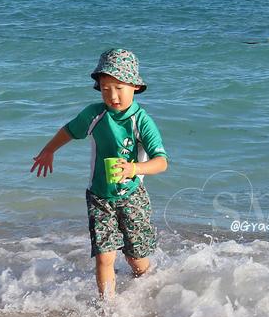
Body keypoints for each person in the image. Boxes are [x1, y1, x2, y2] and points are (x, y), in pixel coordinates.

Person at [30, 48, 169, 299]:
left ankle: (149, 291)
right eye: (106, 88)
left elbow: (161, 162)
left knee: (136, 260)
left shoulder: (141, 121)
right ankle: (107, 309)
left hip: (132, 196)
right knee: (104, 256)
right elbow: (69, 131)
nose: (112, 96)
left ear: (135, 86)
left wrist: (134, 168)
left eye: (119, 88)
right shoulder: (95, 114)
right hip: (99, 197)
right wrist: (48, 151)